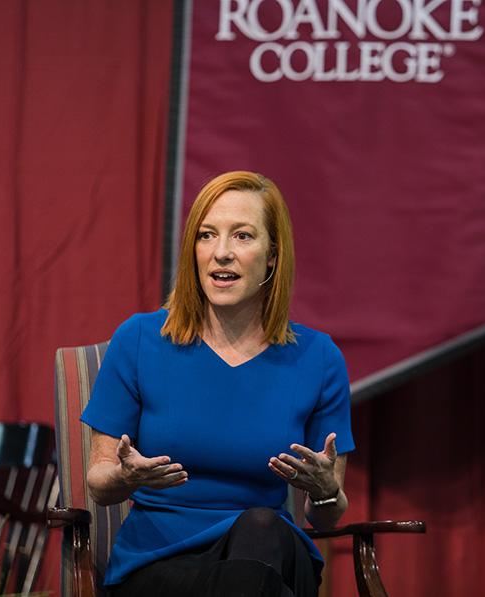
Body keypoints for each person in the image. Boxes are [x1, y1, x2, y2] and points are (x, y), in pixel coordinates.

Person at [80, 171, 354, 596]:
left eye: (242, 236)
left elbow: (325, 518)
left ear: (273, 256)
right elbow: (99, 484)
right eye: (207, 235)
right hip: (158, 560)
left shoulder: (318, 358)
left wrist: (324, 491)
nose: (221, 253)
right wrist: (127, 476)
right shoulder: (138, 340)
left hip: (265, 549)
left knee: (262, 524)